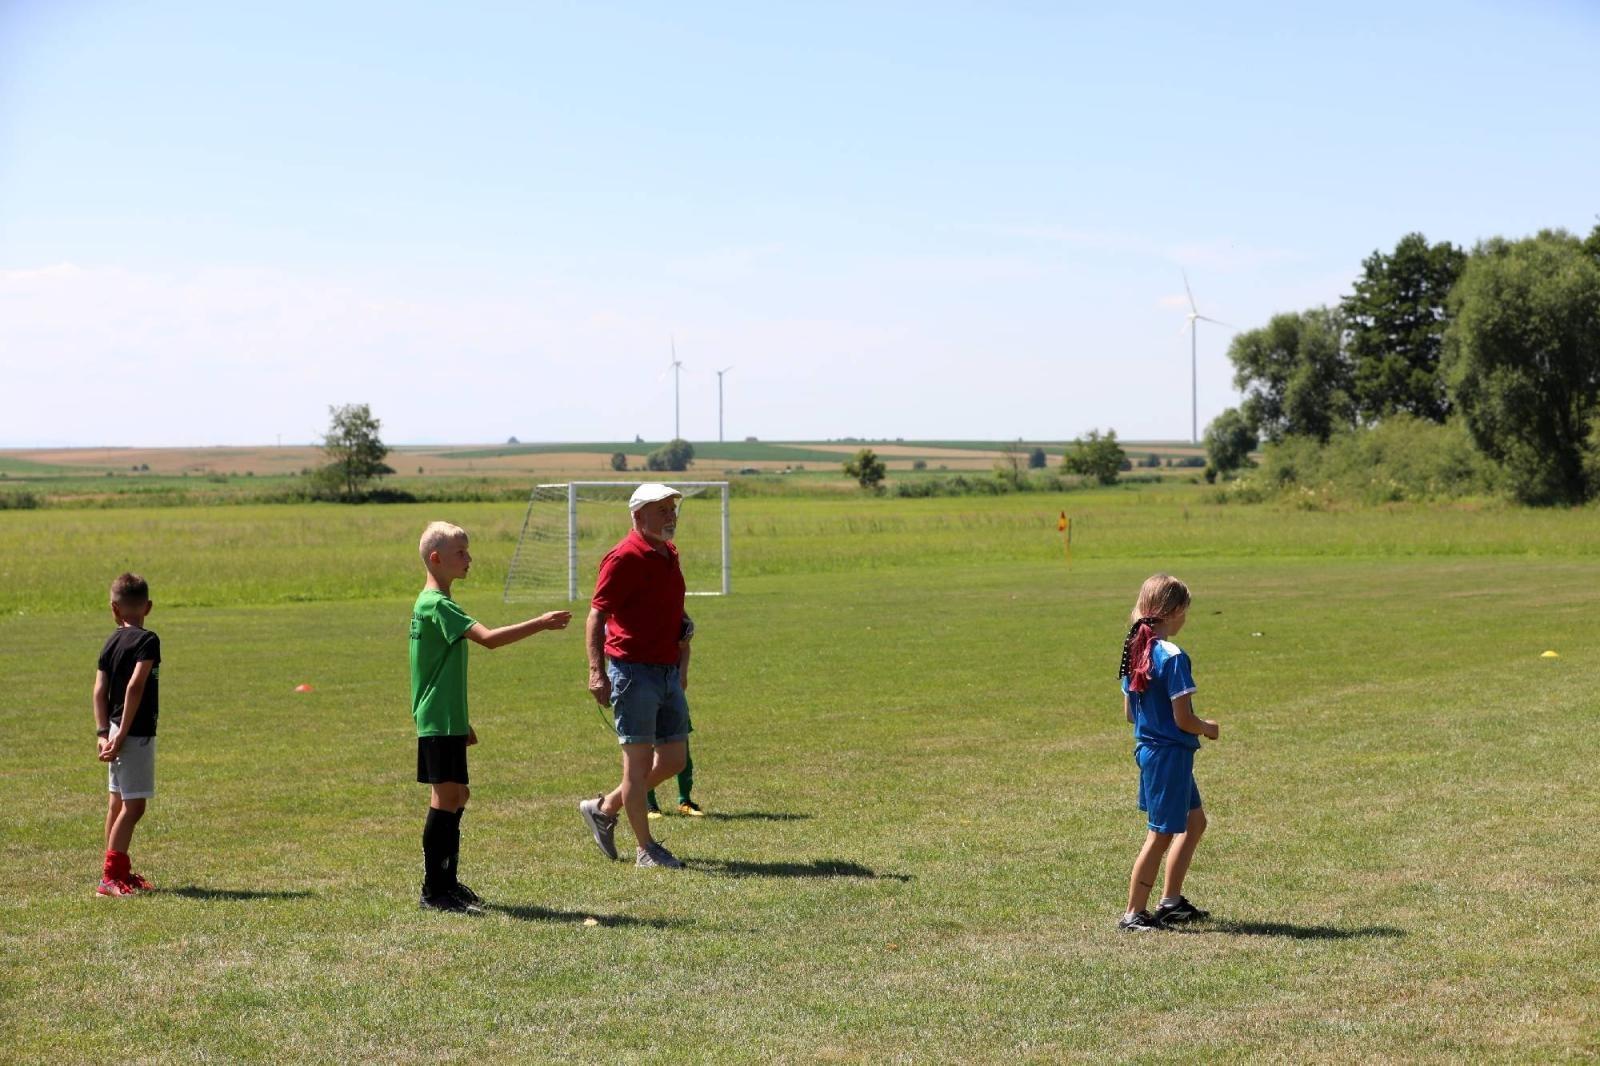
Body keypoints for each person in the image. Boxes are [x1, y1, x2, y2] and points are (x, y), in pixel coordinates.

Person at [411, 521, 571, 913]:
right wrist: (541, 623)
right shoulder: (437, 605)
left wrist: (460, 719)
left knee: (457, 795)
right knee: (447, 797)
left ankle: (447, 882)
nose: (469, 559)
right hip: (437, 719)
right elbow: (490, 639)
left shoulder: (431, 603)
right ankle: (435, 892)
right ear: (436, 559)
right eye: (460, 553)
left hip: (444, 717)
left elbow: (431, 671)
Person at [578, 483, 696, 869]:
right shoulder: (623, 557)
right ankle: (645, 848)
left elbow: (666, 603)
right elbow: (597, 616)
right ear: (637, 516)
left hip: (666, 670)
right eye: (661, 510)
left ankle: (605, 808)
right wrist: (597, 672)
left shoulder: (669, 553)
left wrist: (682, 627)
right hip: (632, 672)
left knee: (675, 759)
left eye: (672, 509)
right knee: (638, 765)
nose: (670, 516)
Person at [1116, 573, 1219, 932]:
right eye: (1185, 611)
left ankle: (1171, 902)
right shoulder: (1172, 656)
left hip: (1151, 752)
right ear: (1173, 612)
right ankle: (1133, 914)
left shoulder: (1134, 650)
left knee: (1194, 823)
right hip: (1169, 755)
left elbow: (1130, 713)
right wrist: (1207, 727)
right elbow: (1184, 718)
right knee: (1160, 835)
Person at [93, 573, 162, 897]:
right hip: (134, 733)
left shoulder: (110, 641)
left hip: (115, 728)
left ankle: (115, 871)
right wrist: (122, 738)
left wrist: (103, 732)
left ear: (114, 609)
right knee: (133, 808)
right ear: (147, 607)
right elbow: (136, 686)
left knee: (116, 803)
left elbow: (99, 690)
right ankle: (111, 877)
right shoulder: (148, 640)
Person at [647, 615, 703, 819]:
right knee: (646, 748)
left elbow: (685, 644)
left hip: (671, 684)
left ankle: (685, 800)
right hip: (643, 686)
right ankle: (648, 803)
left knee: (681, 746)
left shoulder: (672, 608)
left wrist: (682, 674)